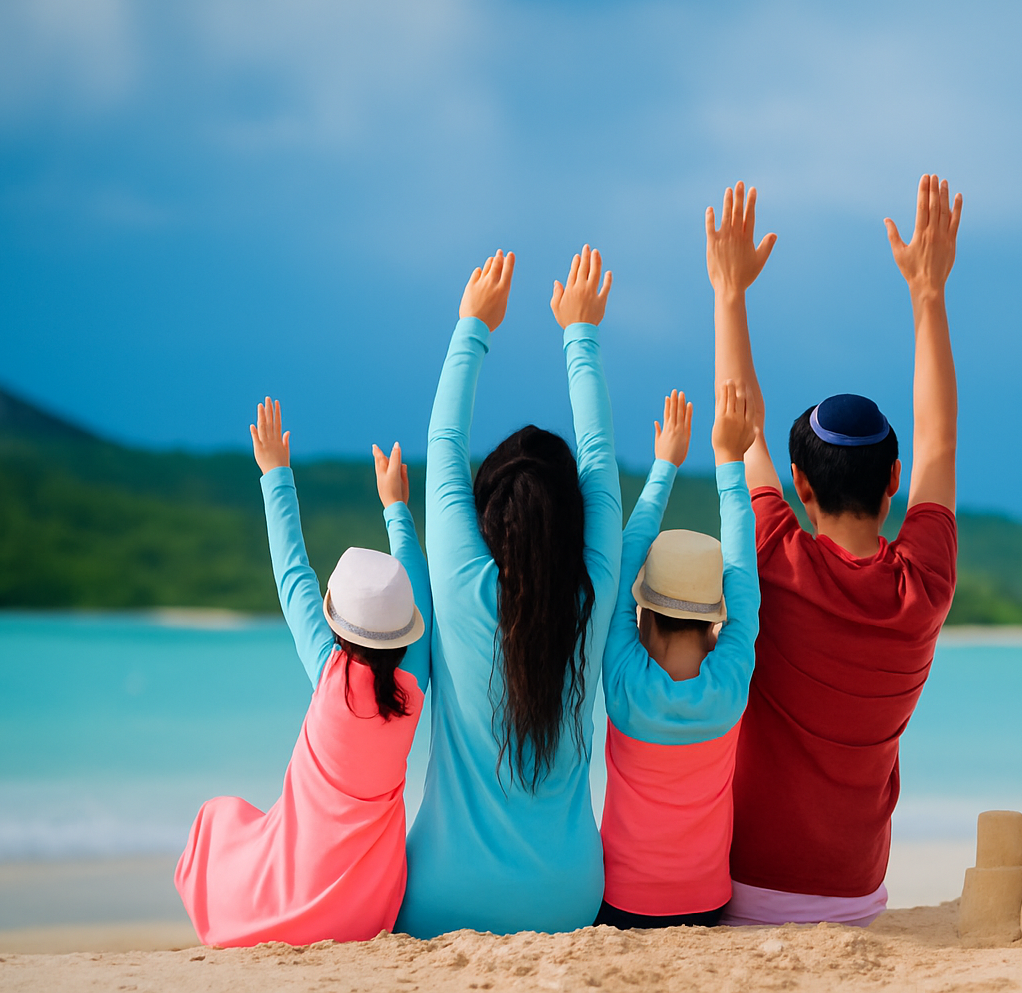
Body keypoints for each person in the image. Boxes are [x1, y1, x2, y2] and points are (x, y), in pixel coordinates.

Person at [708, 176, 961, 926]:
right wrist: (928, 293)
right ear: (894, 482)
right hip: (858, 896)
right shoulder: (925, 582)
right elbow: (939, 440)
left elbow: (739, 422)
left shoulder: (773, 556)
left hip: (744, 882)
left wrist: (729, 292)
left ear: (798, 485)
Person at [395, 247, 623, 936]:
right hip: (569, 900)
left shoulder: (462, 582)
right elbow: (602, 461)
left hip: (440, 902)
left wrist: (474, 324)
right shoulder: (593, 590)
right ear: (575, 522)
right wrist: (578, 333)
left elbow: (441, 440)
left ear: (484, 514)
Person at [175, 398, 432, 947]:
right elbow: (415, 583)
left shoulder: (329, 674)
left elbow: (293, 572)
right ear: (407, 629)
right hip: (370, 912)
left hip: (303, 896)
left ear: (336, 623)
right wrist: (397, 509)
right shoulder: (413, 694)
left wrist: (275, 474)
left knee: (219, 816)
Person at [597, 382, 761, 929]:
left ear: (644, 610)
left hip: (623, 901)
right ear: (716, 614)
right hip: (708, 902)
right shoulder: (731, 682)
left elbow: (620, 568)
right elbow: (742, 573)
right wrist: (729, 461)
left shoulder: (623, 679)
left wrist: (666, 463)